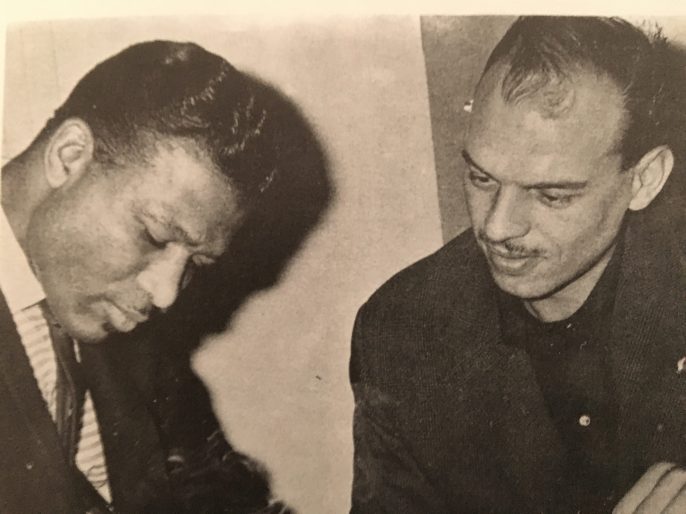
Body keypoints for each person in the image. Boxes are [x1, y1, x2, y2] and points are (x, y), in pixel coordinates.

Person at [350, 17, 685, 514]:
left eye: (551, 195)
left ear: (644, 180)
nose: (497, 227)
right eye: (481, 178)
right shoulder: (402, 332)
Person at [1, 40, 293, 513]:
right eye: (155, 236)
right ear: (69, 157)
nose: (166, 294)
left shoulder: (133, 336)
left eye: (196, 264)